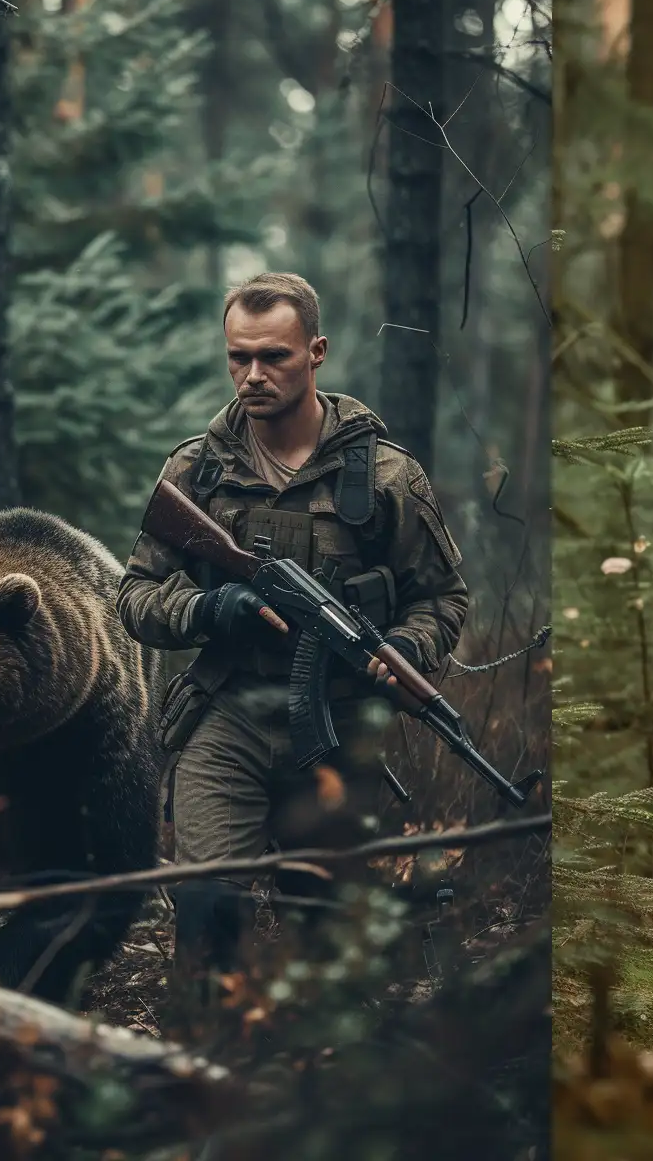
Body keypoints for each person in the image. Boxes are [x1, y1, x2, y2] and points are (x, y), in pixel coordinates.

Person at [116, 272, 468, 974]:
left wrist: (401, 647)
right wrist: (207, 607)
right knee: (209, 904)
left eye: (273, 356)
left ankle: (320, 1073)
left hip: (337, 727)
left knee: (329, 931)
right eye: (237, 358)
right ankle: (202, 1055)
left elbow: (444, 598)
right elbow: (134, 594)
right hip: (227, 716)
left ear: (316, 352)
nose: (251, 376)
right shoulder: (198, 471)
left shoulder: (388, 479)